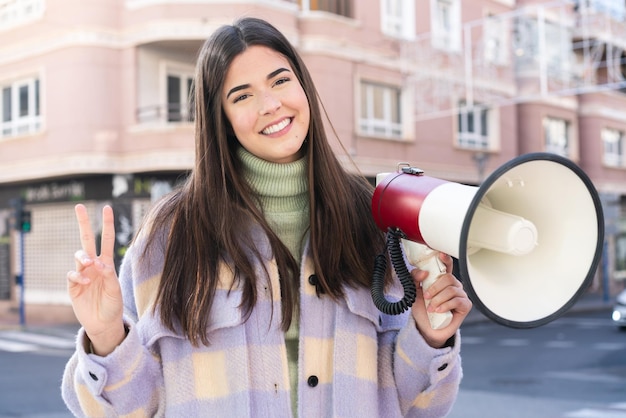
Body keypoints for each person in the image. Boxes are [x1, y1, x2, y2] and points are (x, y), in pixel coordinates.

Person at [61, 16, 472, 417]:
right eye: (242, 96)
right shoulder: (170, 236)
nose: (271, 104)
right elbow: (127, 411)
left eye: (280, 80)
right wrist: (105, 335)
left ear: (303, 86)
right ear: (220, 119)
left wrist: (430, 339)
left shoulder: (369, 221)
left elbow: (417, 408)